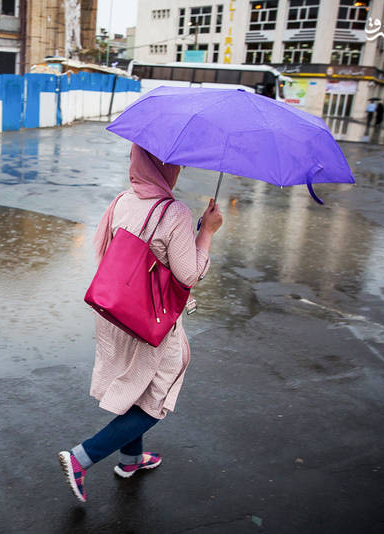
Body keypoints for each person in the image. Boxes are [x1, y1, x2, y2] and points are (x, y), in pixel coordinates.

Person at [57, 144, 223, 503]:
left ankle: (131, 459)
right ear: (164, 167)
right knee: (157, 398)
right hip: (151, 321)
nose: (177, 167)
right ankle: (81, 457)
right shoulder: (173, 211)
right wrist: (206, 232)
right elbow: (189, 274)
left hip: (116, 311)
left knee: (138, 386)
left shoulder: (122, 200)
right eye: (174, 162)